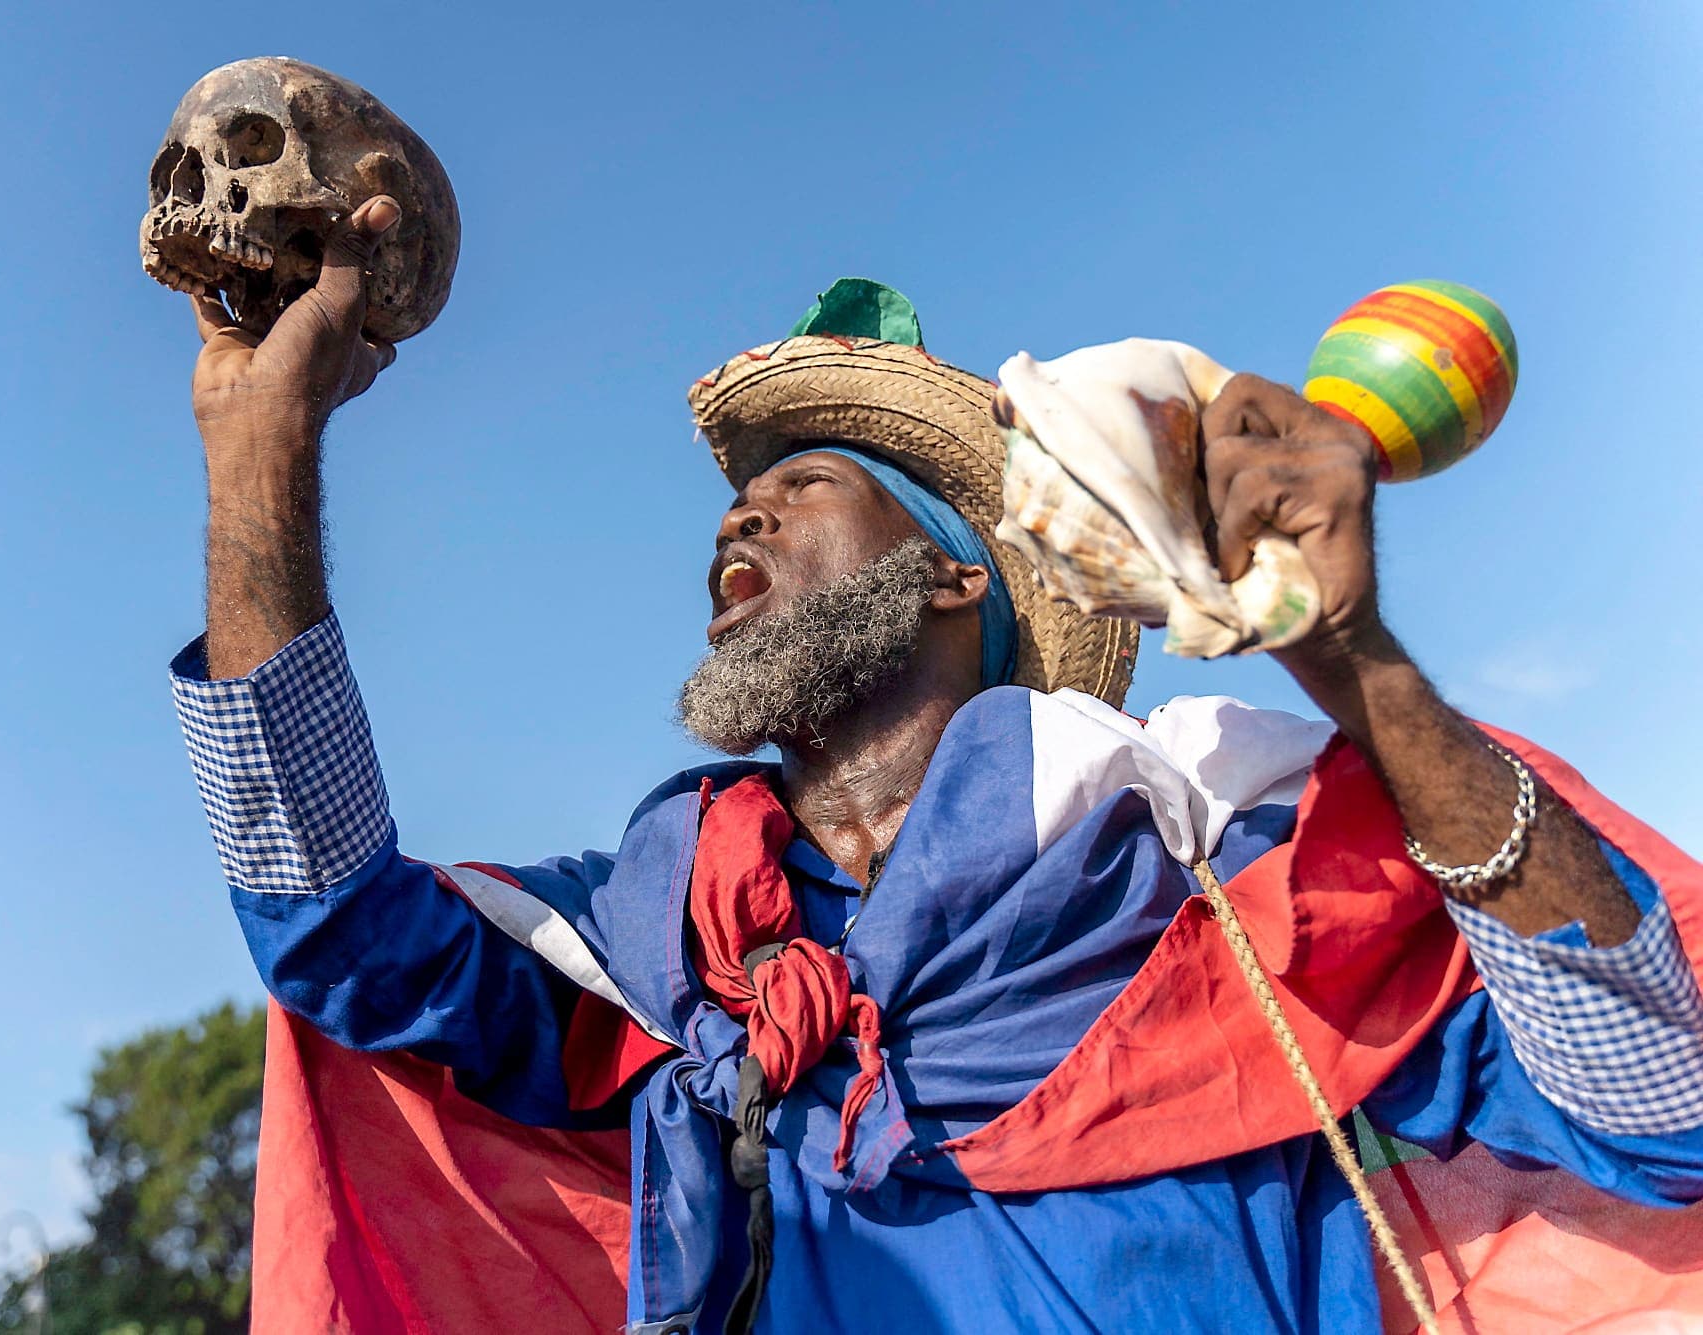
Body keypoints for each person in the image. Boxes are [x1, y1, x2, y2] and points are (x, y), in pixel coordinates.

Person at [169, 200, 1703, 1332]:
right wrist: (260, 451)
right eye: (733, 509)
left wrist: (1350, 658)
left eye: (805, 485)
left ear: (960, 578)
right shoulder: (660, 959)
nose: (737, 522)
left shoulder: (1201, 869)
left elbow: (1667, 1109)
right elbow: (333, 932)